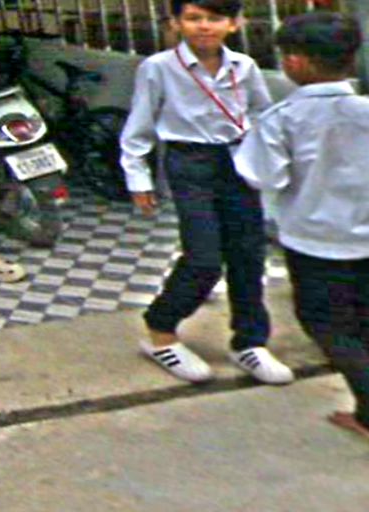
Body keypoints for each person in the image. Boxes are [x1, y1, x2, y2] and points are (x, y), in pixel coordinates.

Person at [120, 0, 294, 385]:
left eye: (215, 18)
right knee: (203, 258)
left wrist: (268, 159)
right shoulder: (158, 67)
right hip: (189, 163)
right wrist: (138, 179)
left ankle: (249, 341)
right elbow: (139, 126)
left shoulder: (244, 66)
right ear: (176, 23)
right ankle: (161, 331)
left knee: (249, 254)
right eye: (193, 18)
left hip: (238, 160)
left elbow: (262, 114)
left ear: (234, 24)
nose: (204, 26)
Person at [234, 11, 369, 439]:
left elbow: (262, 175)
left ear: (294, 62)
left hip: (316, 242)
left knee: (326, 325)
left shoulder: (283, 118)